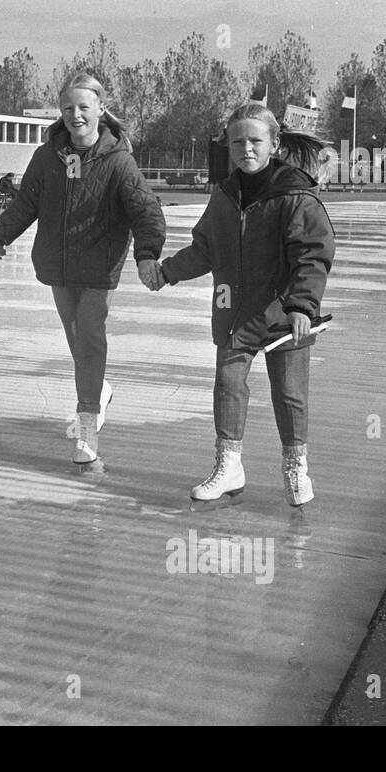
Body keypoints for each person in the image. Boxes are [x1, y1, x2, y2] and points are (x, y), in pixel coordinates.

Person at [145, 103, 335, 507]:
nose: (245, 149)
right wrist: (167, 272)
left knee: (289, 394)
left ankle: (295, 467)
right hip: (235, 314)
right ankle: (229, 465)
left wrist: (302, 306)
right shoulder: (225, 196)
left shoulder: (296, 196)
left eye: (254, 141)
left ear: (274, 144)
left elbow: (313, 255)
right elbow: (205, 250)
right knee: (228, 387)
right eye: (237, 141)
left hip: (284, 317)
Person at [0, 73, 166, 467]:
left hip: (99, 266)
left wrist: (148, 255)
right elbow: (25, 205)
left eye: (84, 107)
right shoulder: (47, 157)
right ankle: (97, 391)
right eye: (68, 108)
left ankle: (87, 425)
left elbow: (147, 211)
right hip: (59, 264)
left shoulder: (119, 162)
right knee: (76, 338)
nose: (75, 115)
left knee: (89, 337)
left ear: (101, 109)